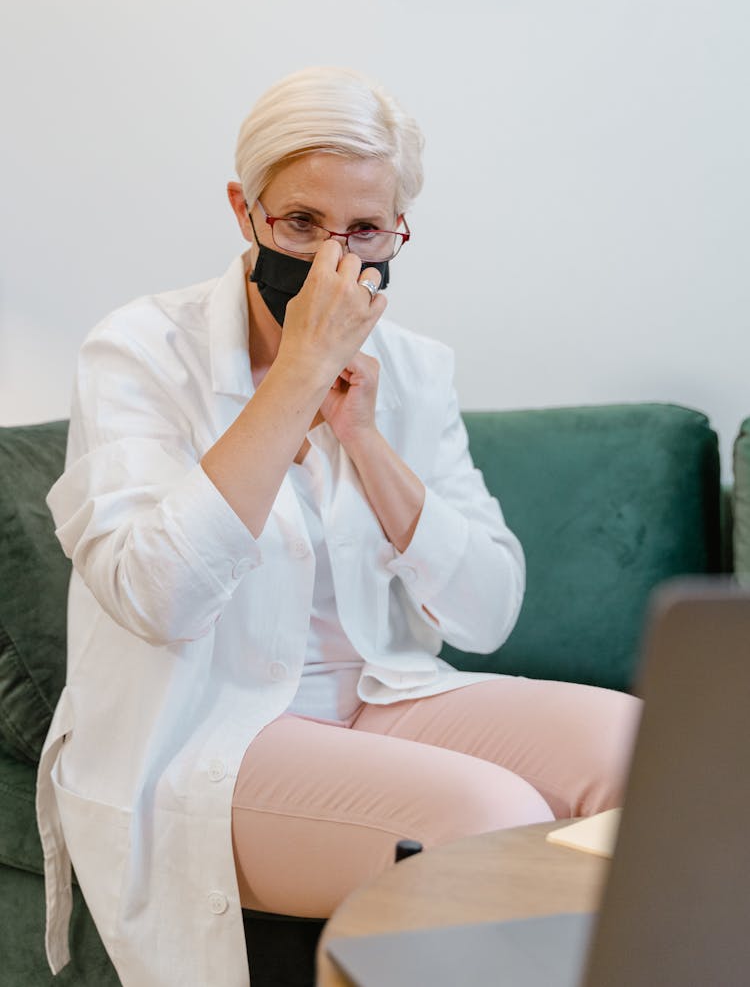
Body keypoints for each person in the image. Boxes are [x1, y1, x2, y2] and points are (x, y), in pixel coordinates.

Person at [37, 66, 639, 987]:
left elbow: (488, 612)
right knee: (489, 817)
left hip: (380, 694)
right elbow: (157, 597)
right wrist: (294, 382)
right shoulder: (137, 352)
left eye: (363, 229)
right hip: (210, 723)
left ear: (398, 227)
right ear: (246, 210)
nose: (332, 255)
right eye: (302, 223)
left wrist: (363, 437)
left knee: (649, 752)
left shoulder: (414, 366)